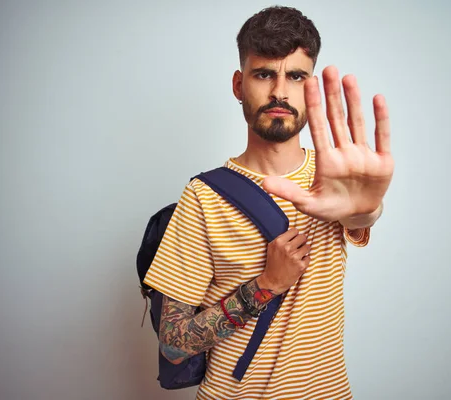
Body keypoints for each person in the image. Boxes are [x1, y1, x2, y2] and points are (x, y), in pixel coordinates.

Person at [143, 5, 394, 399]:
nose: (280, 91)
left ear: (310, 85)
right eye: (264, 74)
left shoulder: (335, 177)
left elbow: (363, 213)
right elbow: (173, 345)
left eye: (296, 76)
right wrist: (265, 285)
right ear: (239, 85)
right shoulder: (203, 198)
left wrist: (367, 210)